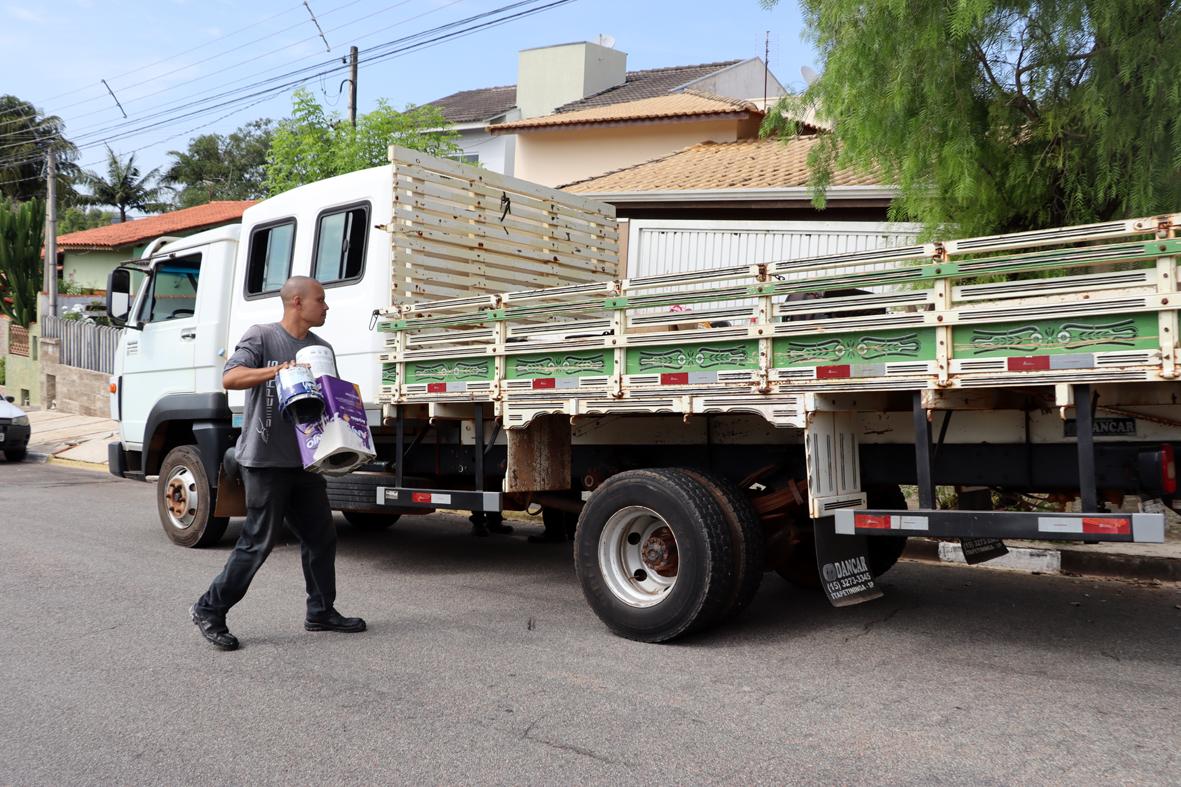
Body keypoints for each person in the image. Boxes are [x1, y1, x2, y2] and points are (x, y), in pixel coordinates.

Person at [190, 276, 365, 651]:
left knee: (321, 537)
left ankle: (320, 611)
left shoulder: (321, 348)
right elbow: (231, 377)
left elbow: (328, 402)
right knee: (258, 541)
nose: (327, 306)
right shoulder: (262, 336)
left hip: (305, 462)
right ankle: (209, 609)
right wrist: (277, 371)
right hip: (264, 460)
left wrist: (348, 403)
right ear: (297, 302)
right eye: (321, 300)